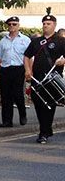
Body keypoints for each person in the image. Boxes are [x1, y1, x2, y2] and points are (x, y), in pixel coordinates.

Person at [24, 15, 65, 143]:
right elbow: (26, 56)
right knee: (38, 103)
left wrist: (63, 60)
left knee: (48, 105)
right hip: (37, 78)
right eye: (44, 23)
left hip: (53, 78)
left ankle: (44, 132)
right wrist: (27, 70)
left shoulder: (61, 41)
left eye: (48, 23)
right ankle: (46, 129)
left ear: (54, 25)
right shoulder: (36, 41)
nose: (45, 25)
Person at [0, 15, 31, 127]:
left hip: (19, 69)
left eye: (14, 24)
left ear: (18, 25)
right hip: (5, 69)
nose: (11, 26)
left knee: (18, 94)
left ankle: (22, 114)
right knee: (5, 96)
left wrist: (29, 70)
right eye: (9, 24)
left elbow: (29, 57)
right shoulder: (3, 41)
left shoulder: (25, 40)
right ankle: (7, 121)